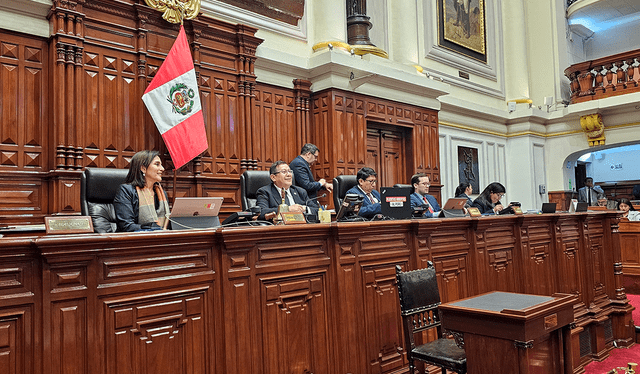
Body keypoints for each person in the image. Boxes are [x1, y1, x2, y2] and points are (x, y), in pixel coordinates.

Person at [113, 150, 170, 232]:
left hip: (160, 240)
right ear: (143, 168)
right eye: (157, 164)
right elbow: (126, 226)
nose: (162, 169)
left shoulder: (161, 193)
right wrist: (154, 230)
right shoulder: (126, 191)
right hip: (132, 242)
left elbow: (168, 225)